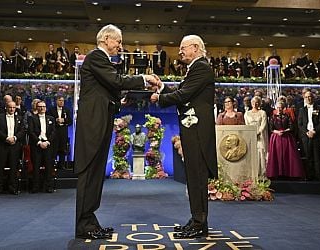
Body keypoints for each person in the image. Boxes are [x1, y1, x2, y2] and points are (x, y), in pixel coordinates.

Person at [73, 24, 158, 240]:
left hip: (99, 122)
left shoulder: (101, 61)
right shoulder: (96, 57)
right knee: (90, 171)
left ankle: (90, 222)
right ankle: (84, 225)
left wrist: (120, 99)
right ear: (106, 39)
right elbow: (116, 81)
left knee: (95, 172)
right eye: (118, 41)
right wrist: (144, 78)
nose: (120, 46)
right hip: (93, 124)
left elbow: (110, 88)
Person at [151, 34, 217, 239]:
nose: (180, 52)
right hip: (191, 130)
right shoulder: (195, 69)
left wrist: (159, 98)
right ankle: (197, 219)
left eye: (183, 48)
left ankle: (199, 222)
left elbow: (183, 95)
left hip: (197, 131)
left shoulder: (201, 67)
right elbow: (183, 92)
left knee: (196, 177)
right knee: (193, 177)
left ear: (195, 48)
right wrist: (162, 88)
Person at [0, 101, 25, 195]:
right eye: (10, 107)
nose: (12, 109)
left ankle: (13, 188)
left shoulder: (20, 118)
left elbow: (22, 131)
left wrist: (15, 138)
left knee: (14, 168)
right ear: (6, 107)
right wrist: (6, 138)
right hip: (2, 145)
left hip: (15, 145)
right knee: (0, 168)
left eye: (13, 107)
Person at [267, 101, 304, 178]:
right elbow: (271, 128)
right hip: (276, 138)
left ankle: (288, 173)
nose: (279, 109)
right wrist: (277, 132)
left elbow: (291, 127)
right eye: (278, 107)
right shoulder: (272, 117)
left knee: (287, 155)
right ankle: (276, 173)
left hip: (286, 137)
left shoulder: (287, 116)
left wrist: (284, 131)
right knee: (276, 155)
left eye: (281, 107)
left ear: (283, 108)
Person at [28, 100, 56, 193]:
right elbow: (31, 132)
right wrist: (39, 142)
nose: (42, 108)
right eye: (40, 106)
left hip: (48, 145)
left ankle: (48, 187)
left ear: (46, 108)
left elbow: (53, 132)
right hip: (37, 145)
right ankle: (35, 187)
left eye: (43, 106)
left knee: (48, 167)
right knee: (36, 166)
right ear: (37, 107)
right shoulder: (32, 118)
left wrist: (47, 142)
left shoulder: (51, 118)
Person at [297, 90, 320, 181]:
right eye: (306, 97)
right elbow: (300, 124)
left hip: (316, 135)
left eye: (310, 97)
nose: (308, 98)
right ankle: (309, 175)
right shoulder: (302, 110)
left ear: (313, 98)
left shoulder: (319, 108)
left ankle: (318, 176)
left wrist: (314, 131)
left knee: (317, 156)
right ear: (304, 98)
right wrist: (307, 132)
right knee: (308, 156)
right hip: (306, 136)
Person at [244, 96, 268, 176]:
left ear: (259, 103)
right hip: (250, 135)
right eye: (253, 102)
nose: (255, 104)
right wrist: (251, 133)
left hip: (260, 136)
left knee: (260, 152)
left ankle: (261, 173)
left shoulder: (262, 113)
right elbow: (247, 124)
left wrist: (258, 132)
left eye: (257, 102)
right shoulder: (247, 113)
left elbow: (263, 125)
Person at [48, 96, 72, 169]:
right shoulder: (51, 110)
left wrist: (64, 120)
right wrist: (56, 120)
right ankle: (52, 165)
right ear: (56, 101)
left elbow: (70, 121)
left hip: (63, 132)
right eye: (60, 100)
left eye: (63, 101)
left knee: (63, 149)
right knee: (54, 149)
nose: (61, 102)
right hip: (54, 132)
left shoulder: (66, 110)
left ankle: (61, 165)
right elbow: (48, 120)